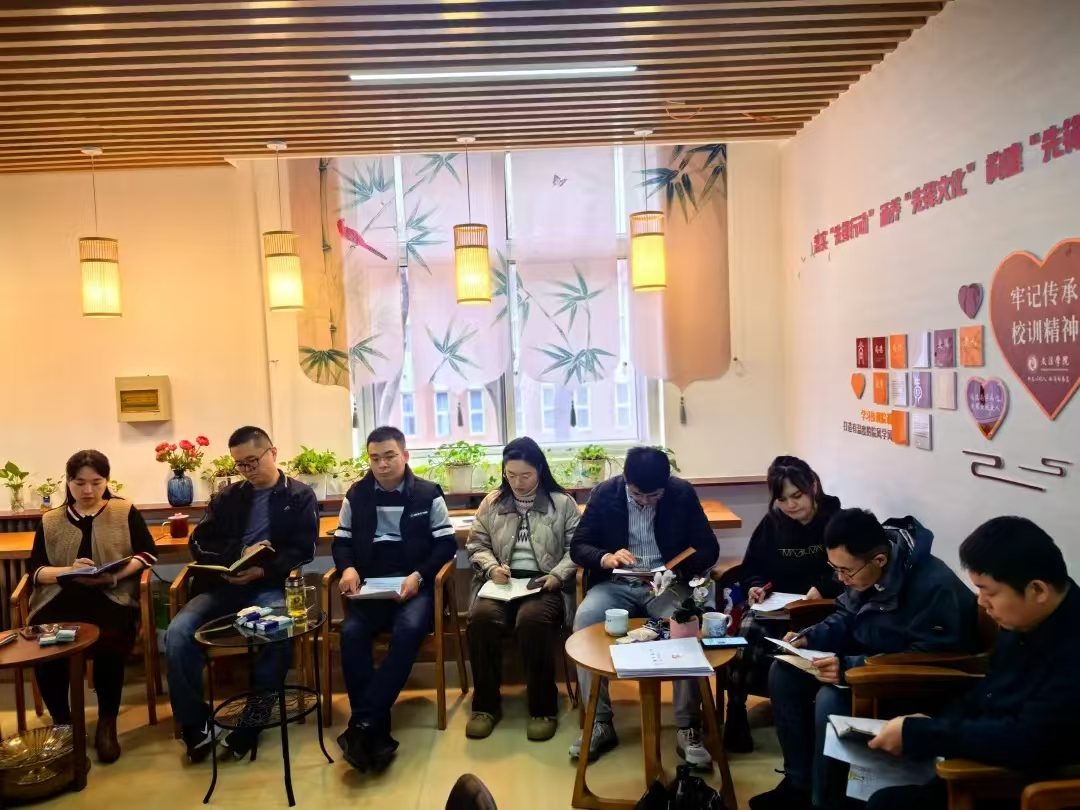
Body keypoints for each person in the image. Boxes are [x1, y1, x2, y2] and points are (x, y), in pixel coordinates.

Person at [749, 508, 977, 810]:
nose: (841, 579)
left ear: (879, 560)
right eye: (834, 569)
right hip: (865, 664)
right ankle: (798, 783)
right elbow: (845, 614)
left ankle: (824, 801)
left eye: (847, 571)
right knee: (784, 672)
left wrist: (850, 668)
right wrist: (809, 637)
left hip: (911, 684)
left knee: (830, 699)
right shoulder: (865, 572)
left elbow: (929, 658)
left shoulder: (934, 587)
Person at [866, 517, 1080, 810]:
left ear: (1038, 590)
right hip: (977, 755)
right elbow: (989, 692)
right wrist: (930, 725)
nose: (981, 602)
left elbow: (1026, 740)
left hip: (1011, 784)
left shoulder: (1071, 650)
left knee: (886, 803)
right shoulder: (1024, 619)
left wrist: (923, 735)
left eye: (988, 592)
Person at [165, 426, 318, 763]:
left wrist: (263, 569)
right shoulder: (227, 497)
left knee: (279, 634)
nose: (247, 470)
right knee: (177, 634)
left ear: (272, 453)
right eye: (240, 464)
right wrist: (237, 553)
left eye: (252, 461)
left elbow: (303, 548)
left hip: (268, 586)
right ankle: (195, 725)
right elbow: (199, 542)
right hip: (221, 586)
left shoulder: (299, 496)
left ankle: (251, 723)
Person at [569, 446, 719, 768]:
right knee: (585, 620)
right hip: (617, 585)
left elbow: (709, 547)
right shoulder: (605, 494)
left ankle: (688, 726)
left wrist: (678, 568)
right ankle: (599, 722)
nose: (647, 502)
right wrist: (605, 558)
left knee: (686, 629)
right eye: (639, 495)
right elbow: (578, 546)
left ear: (666, 484)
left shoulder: (681, 494)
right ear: (626, 481)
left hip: (667, 586)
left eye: (655, 496)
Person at [332, 426, 456, 774]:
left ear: (405, 455)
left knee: (409, 631)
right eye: (375, 458)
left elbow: (446, 544)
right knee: (351, 634)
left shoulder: (427, 493)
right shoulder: (357, 494)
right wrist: (347, 568)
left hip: (413, 584)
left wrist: (419, 576)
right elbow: (341, 541)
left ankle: (363, 722)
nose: (382, 464)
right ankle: (372, 726)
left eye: (389, 456)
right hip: (371, 587)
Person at [27, 450, 157, 763]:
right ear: (68, 482)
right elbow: (36, 571)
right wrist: (68, 571)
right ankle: (64, 725)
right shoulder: (51, 520)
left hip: (110, 596)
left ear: (106, 481)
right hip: (60, 598)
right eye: (79, 483)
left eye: (96, 483)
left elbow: (147, 553)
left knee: (110, 643)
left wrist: (115, 577)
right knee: (46, 646)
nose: (88, 490)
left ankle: (106, 724)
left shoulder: (123, 511)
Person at [464, 437, 580, 742]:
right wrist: (492, 568)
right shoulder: (492, 503)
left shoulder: (562, 503)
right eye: (511, 475)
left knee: (532, 621)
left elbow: (577, 549)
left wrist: (556, 576)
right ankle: (485, 706)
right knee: (480, 620)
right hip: (501, 583)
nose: (517, 482)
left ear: (540, 469)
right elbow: (477, 545)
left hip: (543, 584)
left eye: (525, 475)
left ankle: (543, 708)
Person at [725, 456, 842, 753]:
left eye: (797, 496)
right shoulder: (773, 523)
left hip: (821, 605)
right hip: (776, 604)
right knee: (744, 638)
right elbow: (752, 567)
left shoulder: (835, 519)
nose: (790, 505)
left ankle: (800, 711)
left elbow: (849, 569)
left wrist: (823, 587)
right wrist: (755, 587)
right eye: (782, 499)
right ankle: (735, 710)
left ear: (813, 486)